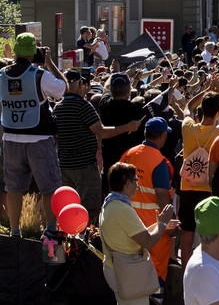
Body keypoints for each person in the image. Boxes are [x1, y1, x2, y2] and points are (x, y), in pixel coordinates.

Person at [0, 34, 67, 236]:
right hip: (38, 139)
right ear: (33, 53)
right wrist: (49, 62)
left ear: (17, 51)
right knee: (49, 187)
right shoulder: (39, 75)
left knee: (13, 187)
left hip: (11, 138)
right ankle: (51, 229)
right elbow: (62, 89)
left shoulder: (2, 75)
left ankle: (14, 231)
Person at [54, 69, 140, 221]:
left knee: (67, 209)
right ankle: (85, 243)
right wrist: (128, 127)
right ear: (81, 85)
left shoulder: (57, 107)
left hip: (65, 166)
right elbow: (102, 132)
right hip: (85, 168)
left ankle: (69, 241)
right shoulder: (83, 106)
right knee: (89, 212)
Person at [100, 162, 179, 305]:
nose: (138, 184)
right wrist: (161, 224)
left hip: (118, 269)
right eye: (136, 180)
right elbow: (148, 241)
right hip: (127, 272)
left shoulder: (110, 203)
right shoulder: (122, 209)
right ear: (128, 183)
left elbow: (134, 234)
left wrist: (159, 224)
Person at [179, 85, 219, 269]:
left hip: (187, 187)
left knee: (187, 234)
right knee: (210, 235)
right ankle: (209, 269)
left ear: (201, 109)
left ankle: (187, 272)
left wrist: (206, 90)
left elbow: (188, 106)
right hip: (208, 189)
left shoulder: (188, 128)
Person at [120, 116, 176, 283]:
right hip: (153, 224)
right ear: (163, 136)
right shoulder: (159, 162)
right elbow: (163, 196)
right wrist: (170, 223)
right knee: (154, 271)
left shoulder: (128, 154)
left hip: (128, 220)